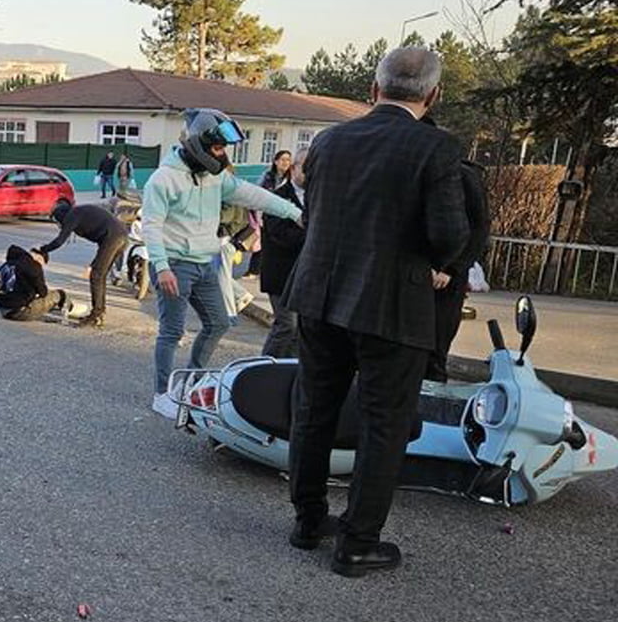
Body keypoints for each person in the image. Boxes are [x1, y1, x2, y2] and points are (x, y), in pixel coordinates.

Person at [283, 47, 469, 577]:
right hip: (392, 306)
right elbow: (449, 235)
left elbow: (314, 214)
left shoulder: (328, 141)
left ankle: (306, 522)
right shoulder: (437, 149)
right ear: (433, 95)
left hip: (318, 296)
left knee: (314, 410)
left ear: (373, 89)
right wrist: (435, 262)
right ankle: (358, 544)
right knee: (384, 425)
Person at [144, 109, 302, 419]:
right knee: (171, 332)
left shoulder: (216, 177)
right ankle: (162, 393)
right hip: (174, 264)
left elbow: (252, 194)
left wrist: (294, 213)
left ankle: (187, 384)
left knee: (218, 323)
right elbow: (150, 224)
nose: (222, 154)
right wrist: (161, 266)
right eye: (217, 148)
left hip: (205, 263)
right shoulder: (164, 178)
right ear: (198, 145)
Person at [421, 115, 490, 383]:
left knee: (435, 350)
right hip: (413, 273)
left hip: (447, 278)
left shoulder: (463, 176)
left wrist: (449, 268)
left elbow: (478, 229)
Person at [37, 199, 127, 328]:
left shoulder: (72, 215)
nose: (60, 224)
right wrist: (94, 262)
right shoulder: (78, 212)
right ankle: (99, 312)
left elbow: (59, 241)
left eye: (58, 221)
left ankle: (96, 315)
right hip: (119, 235)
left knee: (96, 276)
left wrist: (43, 249)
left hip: (113, 237)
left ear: (61, 216)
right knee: (99, 276)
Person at [259, 148, 308, 358]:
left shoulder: (320, 196)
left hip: (306, 276)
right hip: (281, 274)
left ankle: (289, 375)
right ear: (294, 168)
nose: (311, 174)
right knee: (287, 325)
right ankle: (261, 368)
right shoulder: (278, 197)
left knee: (301, 332)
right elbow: (279, 234)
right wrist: (313, 233)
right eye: (306, 168)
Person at [0, 245, 70, 321]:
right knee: (59, 294)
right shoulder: (34, 265)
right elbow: (43, 292)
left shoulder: (10, 262)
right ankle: (68, 310)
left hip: (3, 309)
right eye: (42, 264)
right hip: (19, 312)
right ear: (39, 258)